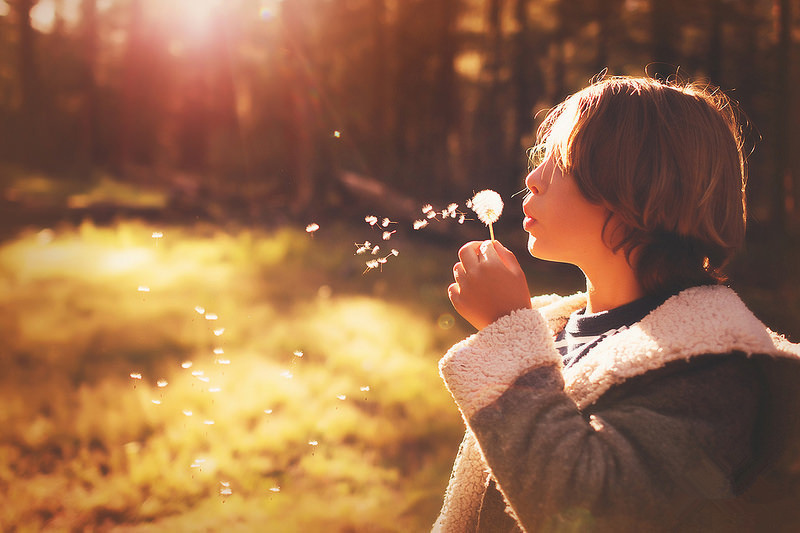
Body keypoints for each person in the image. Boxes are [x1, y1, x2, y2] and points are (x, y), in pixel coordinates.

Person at [434, 75, 800, 532]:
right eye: (540, 158)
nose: (532, 179)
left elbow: (598, 508)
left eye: (560, 161)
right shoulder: (552, 332)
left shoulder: (713, 368)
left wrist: (507, 328)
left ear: (640, 187)